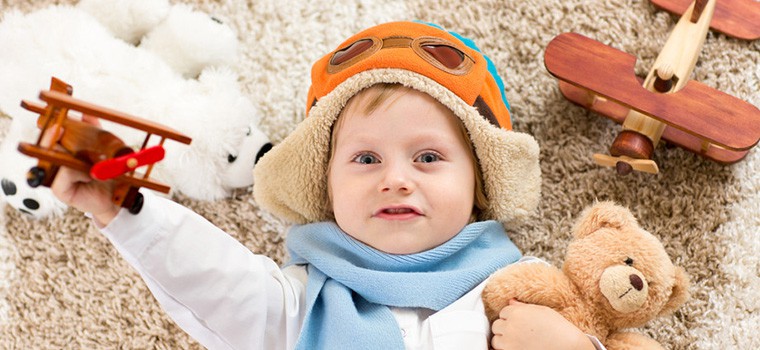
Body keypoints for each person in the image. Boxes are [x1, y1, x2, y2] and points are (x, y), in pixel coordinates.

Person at [49, 21, 602, 350]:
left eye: (429, 157)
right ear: (326, 188)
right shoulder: (302, 303)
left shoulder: (525, 297)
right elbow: (216, 281)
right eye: (365, 158)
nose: (395, 179)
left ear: (480, 186)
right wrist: (126, 207)